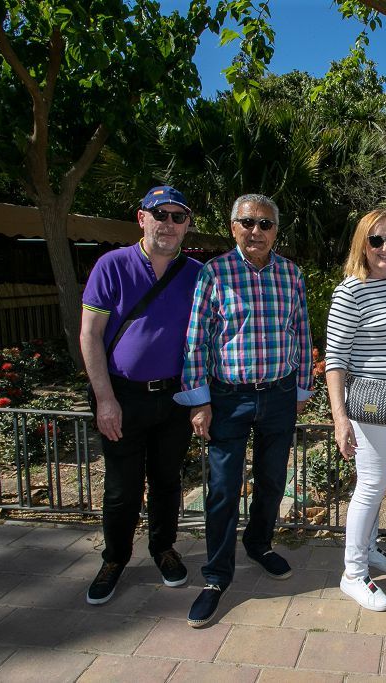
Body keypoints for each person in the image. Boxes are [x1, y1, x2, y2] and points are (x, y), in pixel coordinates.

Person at [175, 193, 314, 628]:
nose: (256, 231)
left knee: (273, 480)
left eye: (266, 224)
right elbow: (196, 339)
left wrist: (303, 387)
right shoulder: (214, 273)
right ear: (233, 226)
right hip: (229, 398)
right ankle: (216, 577)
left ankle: (259, 545)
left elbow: (301, 329)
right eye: (248, 222)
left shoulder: (291, 274)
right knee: (222, 489)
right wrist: (198, 402)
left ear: (276, 231)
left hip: (278, 395)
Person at [80, 185, 202, 605]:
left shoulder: (194, 273)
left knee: (168, 480)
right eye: (160, 214)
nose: (168, 223)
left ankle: (163, 548)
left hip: (172, 398)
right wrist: (105, 398)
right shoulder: (111, 266)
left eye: (178, 216)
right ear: (141, 218)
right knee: (121, 489)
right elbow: (90, 335)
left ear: (186, 225)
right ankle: (114, 558)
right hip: (122, 396)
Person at [325, 209, 386, 611]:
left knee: (379, 482)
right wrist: (340, 419)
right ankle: (353, 572)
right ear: (362, 244)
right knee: (371, 484)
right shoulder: (351, 290)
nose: (385, 248)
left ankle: (370, 547)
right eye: (376, 240)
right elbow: (335, 359)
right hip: (371, 405)